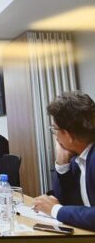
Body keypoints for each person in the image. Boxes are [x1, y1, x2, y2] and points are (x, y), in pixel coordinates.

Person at [33, 92, 95, 231]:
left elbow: (61, 207)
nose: (55, 136)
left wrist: (56, 210)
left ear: (68, 134)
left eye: (54, 129)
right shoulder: (78, 158)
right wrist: (62, 163)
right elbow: (66, 200)